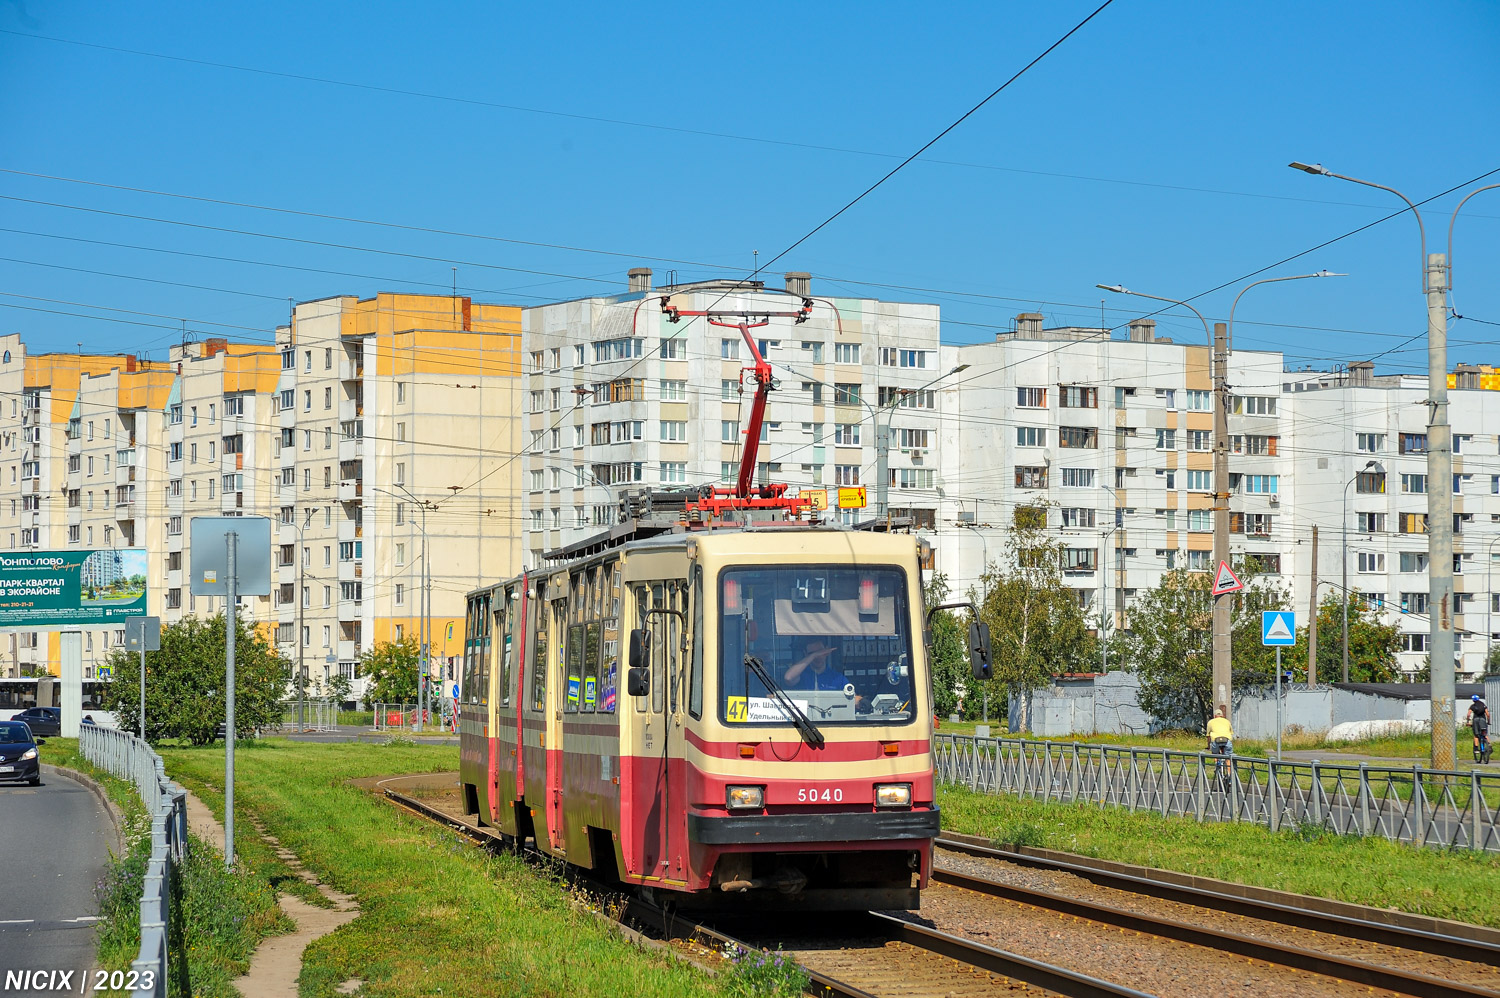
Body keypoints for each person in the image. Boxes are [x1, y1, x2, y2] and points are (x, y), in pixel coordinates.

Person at [783, 637, 851, 692]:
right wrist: (814, 655)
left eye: (821, 652)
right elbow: (788, 678)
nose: (818, 657)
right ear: (806, 654)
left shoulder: (838, 678)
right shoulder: (801, 675)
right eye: (812, 654)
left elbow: (851, 699)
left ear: (826, 651)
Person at [1467, 695, 1490, 763]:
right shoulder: (1483, 705)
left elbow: (1468, 714)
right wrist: (1488, 721)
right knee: (1484, 733)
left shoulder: (1472, 706)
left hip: (1476, 720)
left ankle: (1476, 749)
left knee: (1476, 735)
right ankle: (1489, 744)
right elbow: (1488, 714)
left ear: (1473, 700)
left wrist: (1468, 721)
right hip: (1483, 720)